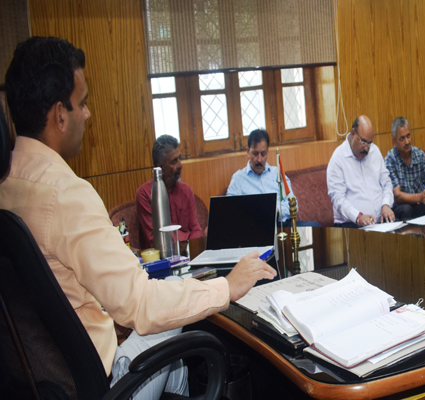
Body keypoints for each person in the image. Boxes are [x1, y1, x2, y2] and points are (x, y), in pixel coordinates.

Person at [0, 37, 276, 398]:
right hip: (104, 386)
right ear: (59, 115)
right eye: (82, 103)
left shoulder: (7, 186)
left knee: (174, 361)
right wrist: (229, 285)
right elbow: (141, 305)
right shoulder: (65, 194)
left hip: (47, 384)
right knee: (169, 327)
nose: (88, 114)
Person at [226, 129, 320, 227]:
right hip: (256, 227)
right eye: (255, 154)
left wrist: (276, 212)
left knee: (314, 225)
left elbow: (293, 206)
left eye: (263, 154)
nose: (259, 159)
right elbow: (230, 210)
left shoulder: (277, 174)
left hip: (282, 225)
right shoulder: (238, 179)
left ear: (267, 152)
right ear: (248, 152)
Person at [136, 134, 203, 249]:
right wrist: (184, 242)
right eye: (174, 161)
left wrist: (191, 247)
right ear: (161, 168)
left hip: (189, 253)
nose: (180, 165)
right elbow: (155, 239)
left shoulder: (186, 190)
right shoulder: (145, 194)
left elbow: (196, 229)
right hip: (162, 256)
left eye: (179, 158)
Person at [327, 115, 394, 228]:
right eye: (363, 142)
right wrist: (358, 216)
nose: (366, 148)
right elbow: (338, 199)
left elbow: (386, 183)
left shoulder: (374, 151)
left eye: (369, 143)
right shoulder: (338, 159)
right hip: (351, 224)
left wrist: (386, 204)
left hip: (380, 222)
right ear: (353, 133)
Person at [384, 117, 425, 221]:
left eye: (408, 136)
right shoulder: (390, 159)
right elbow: (397, 196)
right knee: (406, 209)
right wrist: (419, 197)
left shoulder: (419, 155)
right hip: (400, 206)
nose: (407, 141)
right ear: (393, 141)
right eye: (402, 138)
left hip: (419, 204)